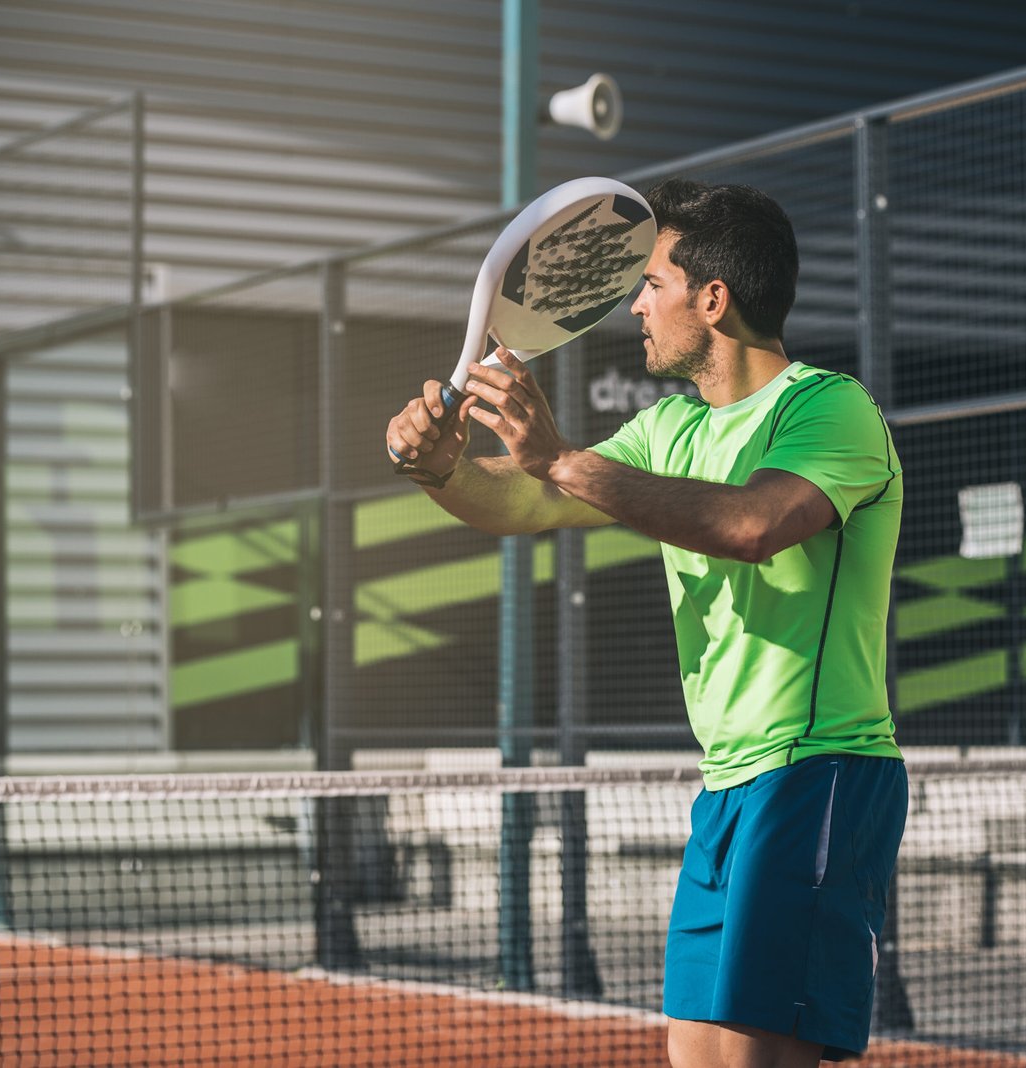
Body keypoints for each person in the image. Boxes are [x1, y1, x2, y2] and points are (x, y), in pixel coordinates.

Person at [385, 179, 907, 1068]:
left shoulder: (830, 408)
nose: (635, 304)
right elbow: (527, 504)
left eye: (652, 283)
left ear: (713, 300)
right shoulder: (669, 426)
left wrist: (555, 456)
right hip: (728, 787)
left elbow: (752, 524)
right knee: (694, 1060)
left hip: (817, 772)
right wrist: (441, 471)